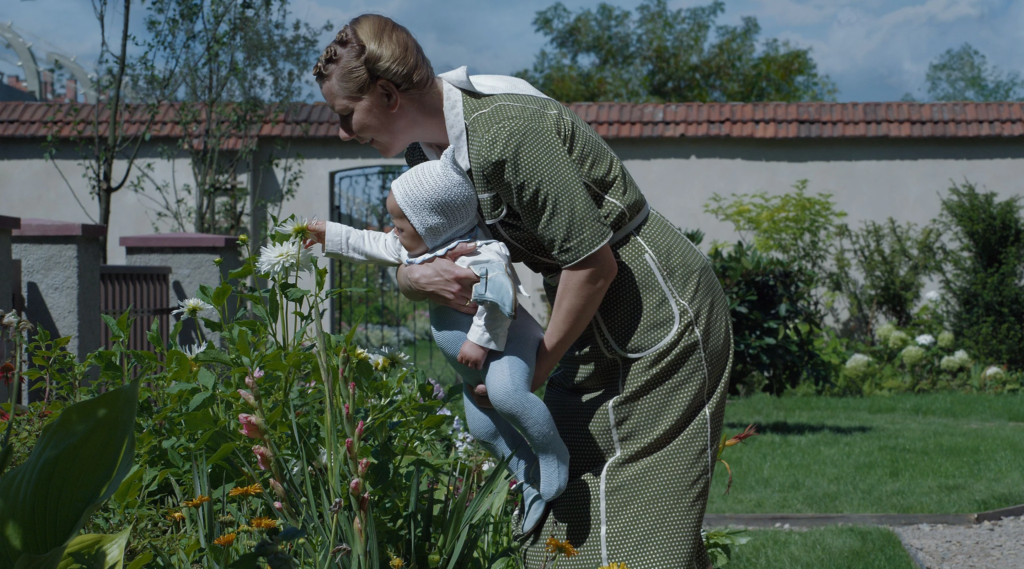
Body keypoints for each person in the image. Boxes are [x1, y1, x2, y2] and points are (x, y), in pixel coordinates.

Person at [307, 14, 734, 569]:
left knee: (634, 519)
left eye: (346, 114)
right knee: (569, 505)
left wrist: (537, 371)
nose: (343, 132)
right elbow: (416, 255)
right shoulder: (427, 157)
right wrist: (413, 279)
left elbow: (594, 267)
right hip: (584, 322)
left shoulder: (507, 133)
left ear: (387, 94)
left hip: (655, 315)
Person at [311, 147, 569, 535]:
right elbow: (370, 244)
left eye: (400, 224)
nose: (391, 230)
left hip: (505, 347)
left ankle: (552, 455)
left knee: (507, 395)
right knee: (483, 430)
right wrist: (327, 234)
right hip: (471, 367)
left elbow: (500, 298)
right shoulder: (422, 248)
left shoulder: (482, 253)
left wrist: (479, 342)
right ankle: (526, 474)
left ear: (433, 224)